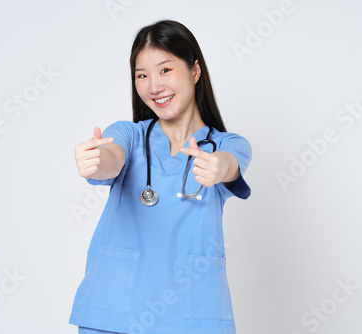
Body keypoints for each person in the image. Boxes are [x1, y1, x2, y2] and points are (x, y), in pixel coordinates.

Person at [69, 19, 252, 334]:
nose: (154, 86)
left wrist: (217, 167)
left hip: (192, 317)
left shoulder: (225, 145)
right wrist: (97, 160)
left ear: (194, 71)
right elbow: (112, 156)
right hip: (115, 313)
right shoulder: (129, 135)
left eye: (165, 70)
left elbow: (230, 163)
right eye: (142, 75)